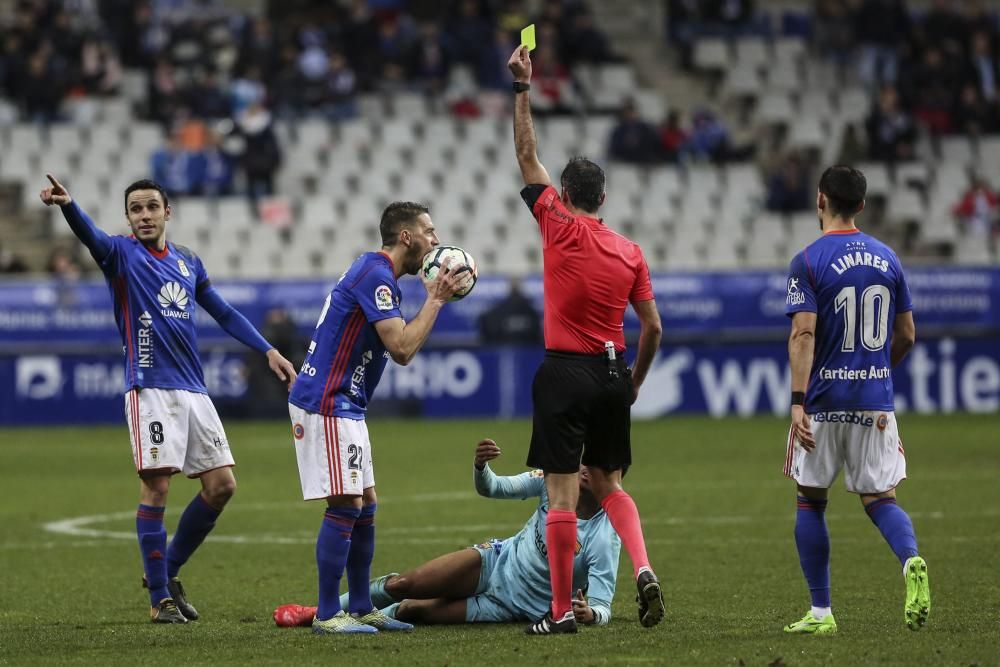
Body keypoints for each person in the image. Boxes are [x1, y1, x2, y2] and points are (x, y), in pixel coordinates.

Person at [38, 175, 298, 624]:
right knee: (157, 487)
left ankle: (166, 570)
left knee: (222, 486)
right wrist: (69, 206)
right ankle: (159, 598)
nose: (143, 216)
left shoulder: (188, 261)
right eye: (135, 209)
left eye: (151, 208)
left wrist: (268, 350)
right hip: (150, 388)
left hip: (194, 389)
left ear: (166, 212)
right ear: (127, 217)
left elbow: (224, 311)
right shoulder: (119, 255)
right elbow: (91, 237)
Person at [507, 45, 664, 635]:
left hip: (565, 371)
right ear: (605, 200)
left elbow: (526, 154)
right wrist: (633, 384)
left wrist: (523, 88)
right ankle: (644, 569)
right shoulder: (630, 251)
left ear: (567, 195)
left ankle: (559, 614)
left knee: (563, 493)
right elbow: (653, 326)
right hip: (611, 372)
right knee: (611, 484)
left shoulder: (556, 224)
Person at [286, 201, 466, 635]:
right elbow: (401, 349)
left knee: (366, 503)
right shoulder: (375, 275)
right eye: (429, 230)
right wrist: (436, 301)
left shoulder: (378, 275)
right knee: (346, 503)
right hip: (327, 401)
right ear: (407, 237)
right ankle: (329, 614)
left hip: (347, 403)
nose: (436, 239)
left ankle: (363, 605)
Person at [783, 165, 929, 635]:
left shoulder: (807, 260)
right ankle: (911, 562)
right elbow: (906, 334)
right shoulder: (889, 258)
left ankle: (821, 612)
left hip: (823, 399)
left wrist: (797, 402)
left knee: (810, 499)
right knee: (880, 497)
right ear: (862, 205)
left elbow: (803, 332)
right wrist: (879, 370)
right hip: (873, 398)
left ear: (820, 198)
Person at [273, 437, 621, 628]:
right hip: (495, 561)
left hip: (511, 606)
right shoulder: (554, 481)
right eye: (585, 461)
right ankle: (321, 610)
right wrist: (481, 467)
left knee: (411, 609)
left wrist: (592, 615)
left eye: (597, 466)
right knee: (404, 584)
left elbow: (603, 605)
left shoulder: (605, 537)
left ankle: (372, 620)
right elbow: (494, 489)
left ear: (613, 478)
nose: (585, 468)